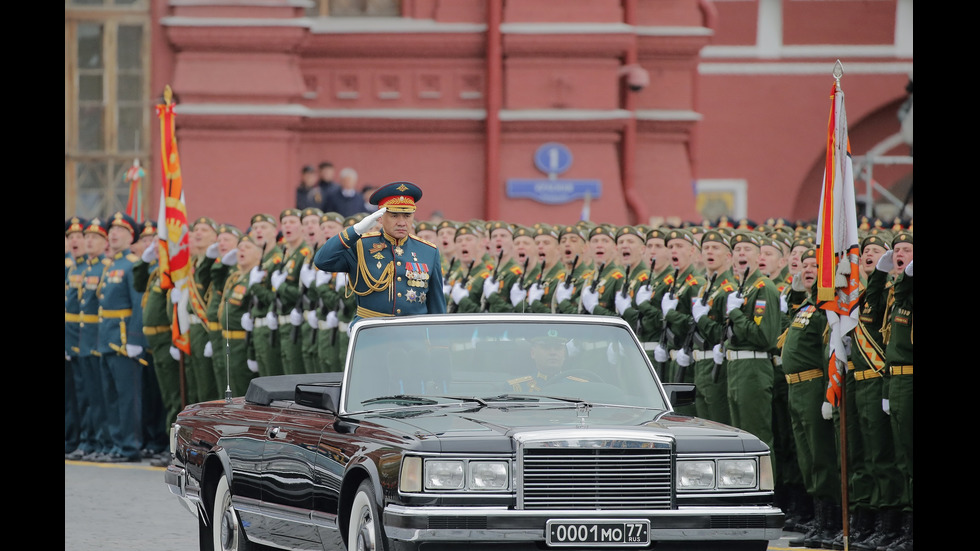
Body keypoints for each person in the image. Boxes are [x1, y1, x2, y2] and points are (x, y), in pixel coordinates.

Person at [314, 181, 446, 325]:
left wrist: (439, 345)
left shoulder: (428, 251)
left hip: (413, 336)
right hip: (373, 333)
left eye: (407, 215)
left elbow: (436, 306)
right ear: (380, 217)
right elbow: (322, 260)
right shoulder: (361, 245)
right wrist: (355, 231)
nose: (402, 222)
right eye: (394, 216)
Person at [780, 248, 841, 548]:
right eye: (803, 265)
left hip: (814, 385)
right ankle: (819, 520)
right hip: (795, 388)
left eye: (813, 266)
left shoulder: (824, 306)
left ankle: (830, 522)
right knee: (806, 457)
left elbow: (826, 351)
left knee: (821, 456)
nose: (806, 270)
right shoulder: (805, 305)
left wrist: (829, 392)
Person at [721, 230, 781, 457]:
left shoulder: (763, 287)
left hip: (753, 368)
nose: (741, 253)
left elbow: (763, 336)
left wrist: (735, 313)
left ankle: (763, 491)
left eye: (747, 249)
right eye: (737, 250)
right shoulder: (743, 288)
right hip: (736, 367)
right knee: (740, 438)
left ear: (758, 257)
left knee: (757, 437)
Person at [96, 212, 147, 463]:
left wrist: (135, 339)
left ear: (131, 237)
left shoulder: (134, 264)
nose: (113, 235)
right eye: (111, 231)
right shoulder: (112, 265)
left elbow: (138, 304)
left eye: (120, 231)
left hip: (125, 340)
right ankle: (117, 444)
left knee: (128, 398)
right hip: (107, 339)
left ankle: (130, 445)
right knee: (112, 397)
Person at [65, 216, 88, 459]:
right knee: (73, 396)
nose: (74, 240)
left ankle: (86, 439)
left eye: (78, 236)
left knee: (84, 396)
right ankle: (74, 438)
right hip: (73, 339)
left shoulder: (92, 269)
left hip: (85, 341)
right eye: (70, 236)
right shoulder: (72, 269)